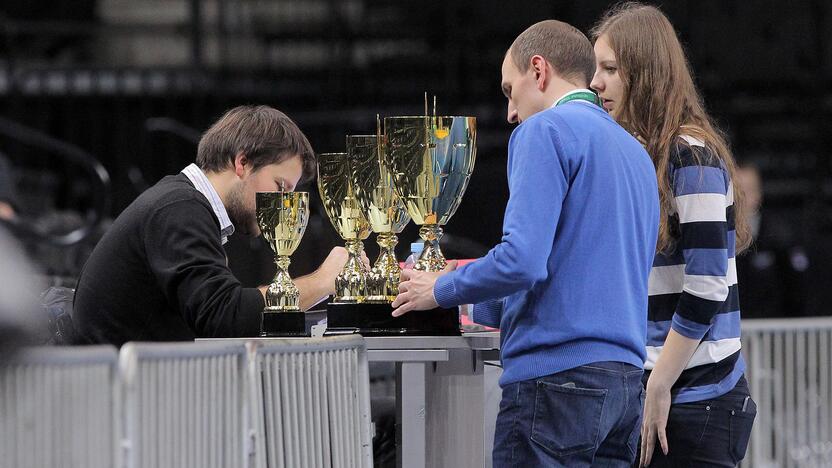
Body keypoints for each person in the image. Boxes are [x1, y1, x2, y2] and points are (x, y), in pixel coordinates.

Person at [391, 20, 659, 467]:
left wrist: (437, 289)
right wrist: (462, 289)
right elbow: (576, 274)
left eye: (509, 91)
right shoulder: (636, 152)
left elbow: (523, 262)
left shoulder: (543, 131)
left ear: (539, 71)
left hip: (555, 384)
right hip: (625, 387)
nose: (511, 113)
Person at [590, 3, 756, 466]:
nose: (596, 83)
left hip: (695, 400)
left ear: (645, 73)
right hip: (655, 394)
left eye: (610, 69)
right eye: (595, 69)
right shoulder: (637, 157)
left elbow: (707, 284)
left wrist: (660, 383)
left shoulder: (691, 154)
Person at [73, 105, 348, 346]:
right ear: (242, 162)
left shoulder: (184, 204)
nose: (283, 204)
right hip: (124, 397)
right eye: (280, 187)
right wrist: (323, 281)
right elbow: (225, 317)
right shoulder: (179, 209)